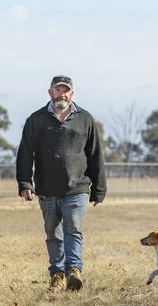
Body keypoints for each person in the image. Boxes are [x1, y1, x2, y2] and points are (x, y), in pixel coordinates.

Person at [17, 74, 107, 293]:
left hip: (77, 187)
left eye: (66, 90)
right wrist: (25, 183)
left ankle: (74, 270)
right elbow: (25, 153)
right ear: (50, 93)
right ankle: (57, 274)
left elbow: (95, 154)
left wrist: (99, 188)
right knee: (52, 232)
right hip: (47, 188)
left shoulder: (85, 119)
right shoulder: (36, 120)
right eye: (58, 90)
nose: (62, 94)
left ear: (72, 93)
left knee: (73, 228)